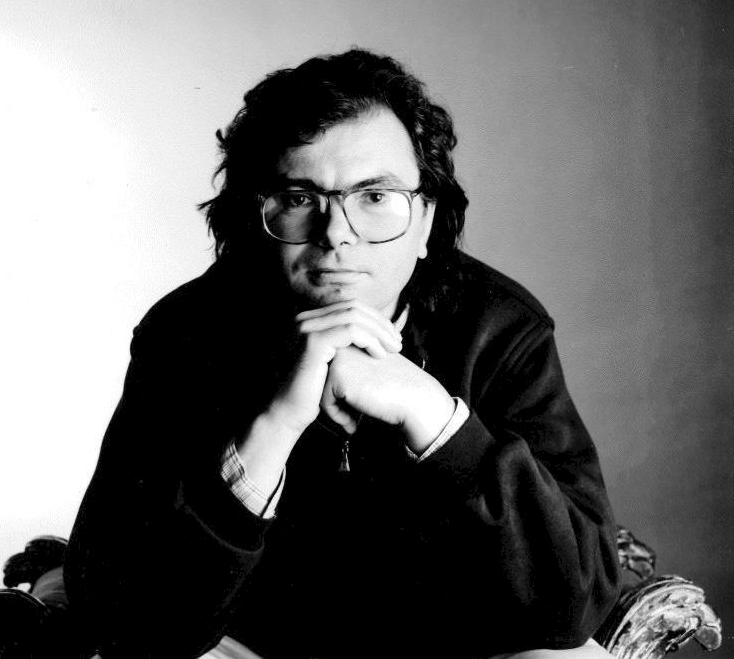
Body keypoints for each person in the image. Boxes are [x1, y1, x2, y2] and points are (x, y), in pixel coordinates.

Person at [65, 49, 621, 659]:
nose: (337, 234)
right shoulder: (186, 332)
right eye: (300, 197)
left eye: (374, 196)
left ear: (425, 221)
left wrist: (433, 416)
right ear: (254, 217)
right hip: (252, 647)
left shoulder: (501, 328)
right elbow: (117, 615)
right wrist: (274, 426)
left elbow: (576, 602)